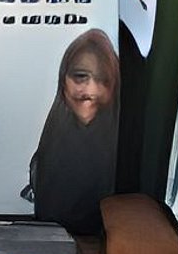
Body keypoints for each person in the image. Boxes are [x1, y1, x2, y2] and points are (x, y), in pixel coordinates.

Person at [23, 26, 120, 237]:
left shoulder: (128, 154)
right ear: (63, 82)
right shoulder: (51, 146)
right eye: (80, 77)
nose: (90, 91)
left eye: (103, 80)